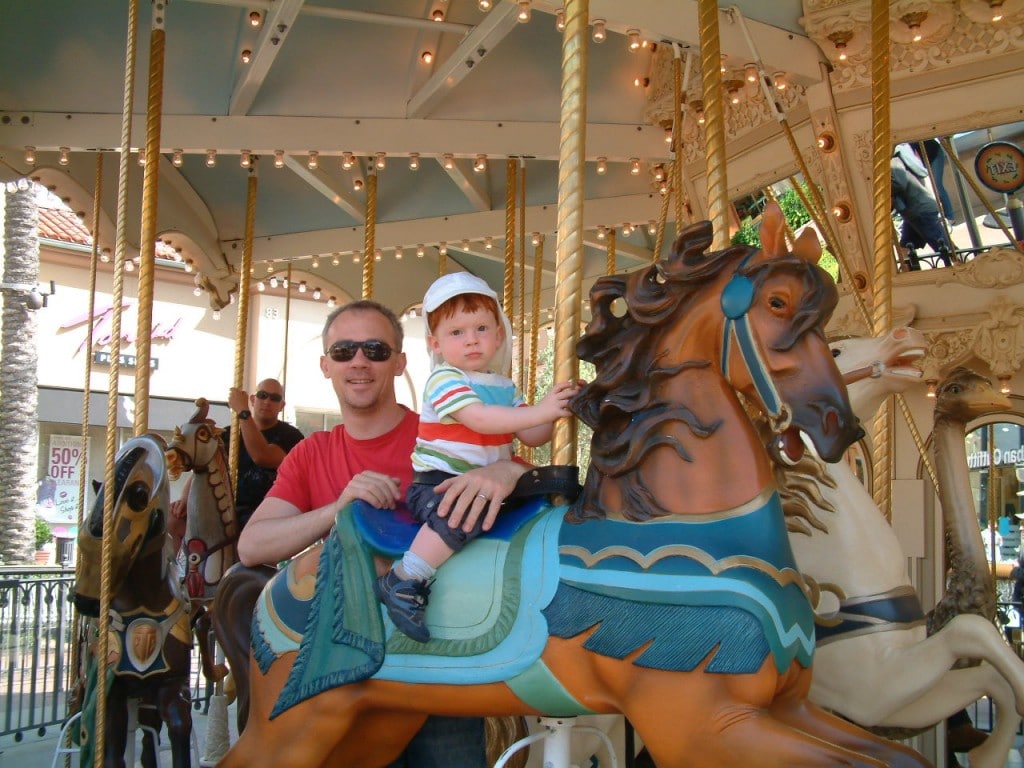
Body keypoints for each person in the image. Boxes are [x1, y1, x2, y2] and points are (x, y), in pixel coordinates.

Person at [238, 298, 529, 768]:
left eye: (375, 349)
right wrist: (338, 509)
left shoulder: (447, 431)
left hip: (437, 661)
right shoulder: (313, 453)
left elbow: (527, 493)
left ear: (400, 362)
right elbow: (253, 545)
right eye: (344, 351)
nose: (359, 361)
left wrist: (508, 471)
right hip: (349, 672)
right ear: (325, 366)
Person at [375, 273, 578, 642]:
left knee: (551, 493)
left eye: (482, 328)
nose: (471, 339)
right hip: (440, 483)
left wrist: (558, 407)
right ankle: (404, 578)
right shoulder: (444, 379)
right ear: (435, 343)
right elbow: (479, 419)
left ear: (499, 335)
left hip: (491, 486)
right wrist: (541, 412)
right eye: (457, 333)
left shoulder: (502, 387)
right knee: (461, 515)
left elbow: (533, 434)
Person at [169, 378, 303, 545]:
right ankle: (181, 569)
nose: (267, 401)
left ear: (281, 405)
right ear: (254, 399)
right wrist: (184, 499)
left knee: (248, 535)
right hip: (221, 507)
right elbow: (204, 467)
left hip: (261, 511)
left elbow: (262, 456)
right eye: (263, 395)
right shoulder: (228, 434)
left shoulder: (290, 436)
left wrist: (243, 412)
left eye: (274, 398)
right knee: (172, 520)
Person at [891, 145, 954, 269]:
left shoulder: (893, 160)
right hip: (916, 209)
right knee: (906, 247)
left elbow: (899, 183)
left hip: (919, 210)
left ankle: (967, 267)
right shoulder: (903, 154)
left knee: (946, 249)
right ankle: (906, 278)